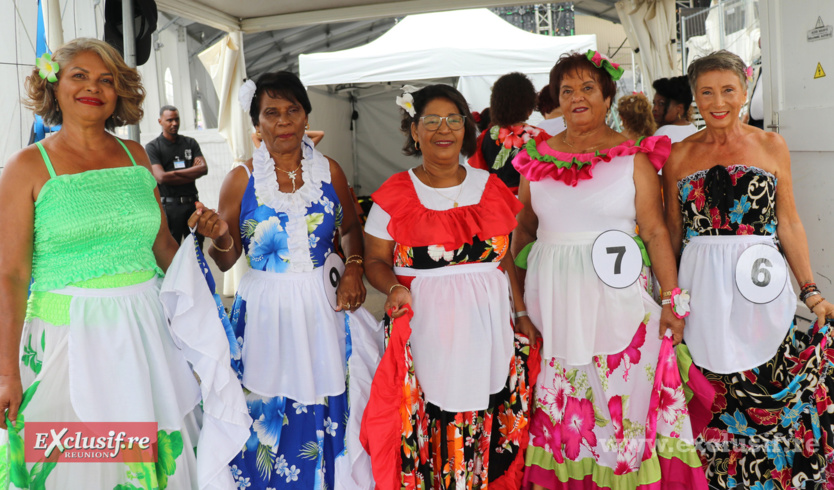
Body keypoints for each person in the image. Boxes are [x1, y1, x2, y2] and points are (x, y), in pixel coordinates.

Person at [0, 38, 217, 488]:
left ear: (119, 92)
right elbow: (12, 275)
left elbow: (163, 247)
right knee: (75, 464)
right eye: (78, 76)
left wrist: (211, 262)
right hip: (65, 344)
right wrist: (5, 373)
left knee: (150, 458)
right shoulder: (26, 166)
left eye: (106, 80)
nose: (92, 88)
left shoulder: (136, 157)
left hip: (147, 336)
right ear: (53, 85)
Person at [512, 50, 707, 489]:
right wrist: (520, 305)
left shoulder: (633, 157)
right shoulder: (535, 158)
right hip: (554, 310)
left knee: (619, 409)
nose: (577, 97)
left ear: (607, 96)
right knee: (565, 410)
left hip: (620, 306)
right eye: (567, 90)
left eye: (587, 88)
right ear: (556, 100)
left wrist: (672, 302)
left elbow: (656, 233)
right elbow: (522, 230)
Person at [189, 72, 378, 489]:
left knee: (330, 401)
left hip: (324, 311)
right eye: (271, 113)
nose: (284, 121)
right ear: (257, 123)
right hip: (264, 314)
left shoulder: (329, 170)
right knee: (267, 406)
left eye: (293, 110)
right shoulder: (241, 178)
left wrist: (354, 266)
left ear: (306, 115)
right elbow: (228, 260)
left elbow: (349, 228)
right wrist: (220, 235)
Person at [662, 50, 834, 489]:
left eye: (728, 90)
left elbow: (790, 222)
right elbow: (670, 233)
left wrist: (810, 289)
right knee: (711, 393)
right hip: (702, 297)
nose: (717, 101)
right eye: (706, 92)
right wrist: (667, 299)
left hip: (763, 292)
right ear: (694, 98)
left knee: (768, 383)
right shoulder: (677, 156)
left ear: (743, 90)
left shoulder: (771, 145)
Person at [362, 84, 539, 488]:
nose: (444, 129)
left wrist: (521, 311)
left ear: (466, 128)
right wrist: (392, 288)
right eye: (432, 120)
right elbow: (374, 260)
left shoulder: (491, 186)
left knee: (486, 417)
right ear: (414, 130)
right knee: (432, 421)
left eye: (454, 120)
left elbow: (504, 257)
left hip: (488, 332)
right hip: (427, 333)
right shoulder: (394, 194)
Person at [468, 72, 550, 194]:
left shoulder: (485, 136)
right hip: (529, 201)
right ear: (529, 107)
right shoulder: (540, 136)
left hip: (496, 201)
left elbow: (477, 172)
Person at [146, 104, 208, 247]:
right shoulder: (153, 147)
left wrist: (172, 174)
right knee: (172, 252)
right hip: (170, 208)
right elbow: (161, 177)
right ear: (160, 121)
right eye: (170, 120)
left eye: (177, 119)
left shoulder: (190, 143)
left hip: (192, 205)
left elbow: (203, 169)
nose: (174, 123)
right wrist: (191, 171)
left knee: (196, 251)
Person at [652, 76, 699, 143]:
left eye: (661, 104)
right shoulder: (693, 129)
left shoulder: (664, 133)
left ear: (679, 109)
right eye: (654, 103)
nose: (655, 109)